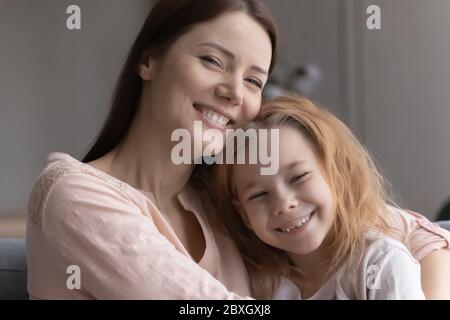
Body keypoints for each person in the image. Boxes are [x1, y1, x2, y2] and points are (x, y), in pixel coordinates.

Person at [26, 0, 450, 299]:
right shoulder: (74, 196)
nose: (233, 92)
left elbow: (413, 232)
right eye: (212, 61)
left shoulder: (228, 194)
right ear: (148, 61)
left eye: (253, 80)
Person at [211, 95, 425, 299]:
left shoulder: (382, 263)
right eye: (259, 194)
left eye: (298, 177)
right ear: (244, 214)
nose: (284, 204)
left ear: (337, 173)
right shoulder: (259, 284)